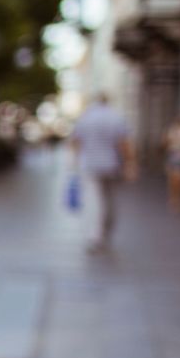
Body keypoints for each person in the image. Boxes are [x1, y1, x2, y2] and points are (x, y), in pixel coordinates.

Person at [70, 93, 134, 252]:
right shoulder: (116, 117)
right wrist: (130, 164)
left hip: (90, 164)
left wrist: (75, 161)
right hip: (111, 164)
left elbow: (75, 141)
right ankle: (107, 230)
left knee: (94, 200)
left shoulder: (85, 118)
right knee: (110, 198)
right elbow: (124, 143)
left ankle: (95, 235)